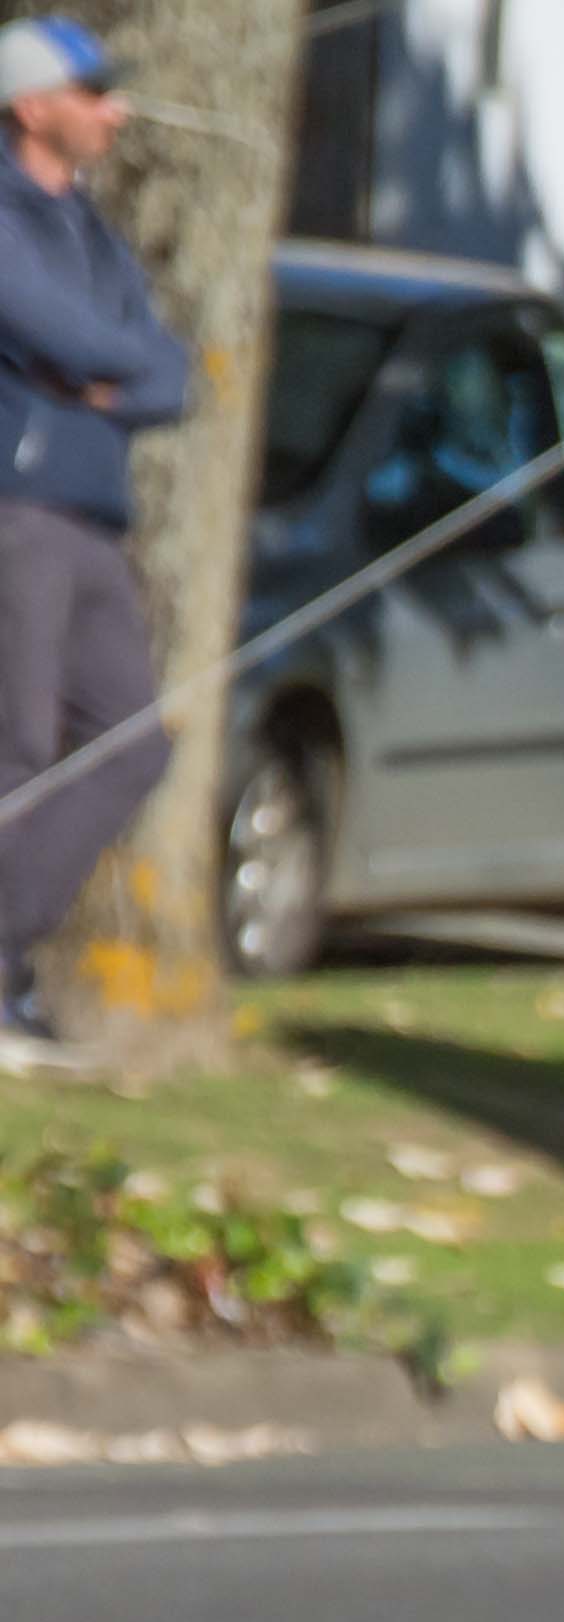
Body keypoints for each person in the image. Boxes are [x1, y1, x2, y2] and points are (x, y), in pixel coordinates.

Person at [0, 14, 179, 1051]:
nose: (116, 111)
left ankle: (9, 944)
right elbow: (57, 334)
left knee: (130, 742)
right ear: (33, 106)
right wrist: (94, 363)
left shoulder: (97, 232)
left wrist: (104, 378)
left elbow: (162, 370)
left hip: (94, 514)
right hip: (19, 509)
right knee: (18, 746)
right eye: (94, 91)